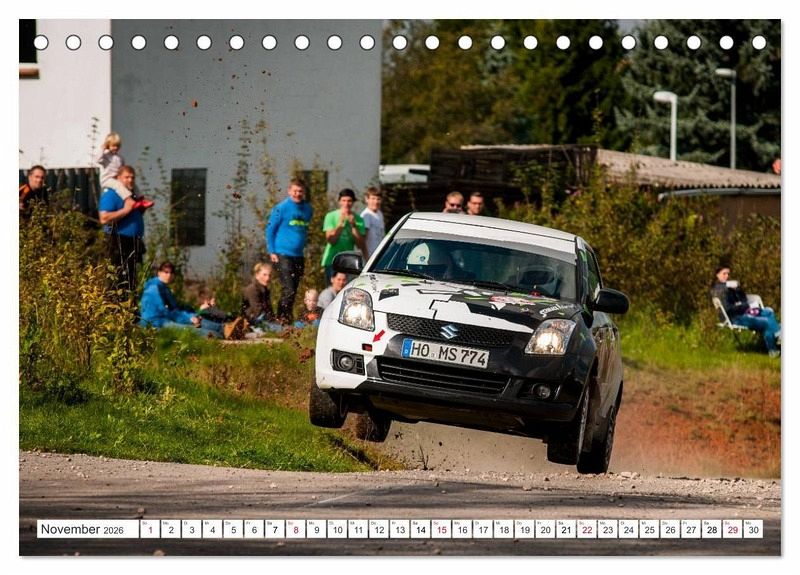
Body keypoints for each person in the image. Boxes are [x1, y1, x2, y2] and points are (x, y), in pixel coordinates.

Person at [140, 261, 245, 339]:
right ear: (159, 273)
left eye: (171, 273)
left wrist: (194, 313)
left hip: (165, 320)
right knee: (201, 331)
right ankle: (225, 332)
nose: (169, 275)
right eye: (166, 272)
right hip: (155, 324)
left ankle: (226, 329)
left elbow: (176, 308)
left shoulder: (163, 287)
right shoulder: (154, 288)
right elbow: (165, 312)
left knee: (198, 318)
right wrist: (188, 318)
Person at [266, 177, 313, 323]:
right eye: (295, 191)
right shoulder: (281, 208)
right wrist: (272, 251)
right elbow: (270, 230)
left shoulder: (308, 209)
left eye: (300, 191)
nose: (297, 194)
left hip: (298, 255)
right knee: (289, 287)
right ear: (289, 191)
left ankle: (285, 317)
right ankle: (283, 319)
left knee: (295, 288)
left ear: (304, 192)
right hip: (282, 253)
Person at [98, 165, 149, 296]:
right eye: (126, 177)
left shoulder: (132, 196)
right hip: (117, 241)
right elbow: (104, 218)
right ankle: (113, 305)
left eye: (132, 177)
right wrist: (126, 210)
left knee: (131, 280)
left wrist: (141, 209)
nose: (130, 180)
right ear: (118, 178)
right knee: (117, 278)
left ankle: (129, 305)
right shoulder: (111, 195)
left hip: (133, 242)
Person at [710, 266, 781, 357]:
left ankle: (775, 344)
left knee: (769, 312)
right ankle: (776, 340)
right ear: (717, 275)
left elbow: (744, 300)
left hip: (745, 312)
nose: (726, 276)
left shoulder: (730, 287)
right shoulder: (717, 289)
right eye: (724, 273)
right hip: (735, 318)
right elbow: (729, 309)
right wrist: (744, 306)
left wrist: (738, 290)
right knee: (767, 322)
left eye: (728, 274)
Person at [321, 189, 366, 283]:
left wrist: (354, 226)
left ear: (353, 202)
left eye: (349, 201)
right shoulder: (331, 216)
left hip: (348, 262)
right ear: (339, 201)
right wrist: (340, 225)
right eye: (343, 200)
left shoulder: (359, 219)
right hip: (331, 261)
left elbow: (360, 245)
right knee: (332, 289)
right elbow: (331, 241)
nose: (346, 204)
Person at [241, 262, 282, 332]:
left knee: (283, 326)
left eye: (269, 275)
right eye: (264, 275)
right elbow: (257, 311)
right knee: (282, 329)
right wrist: (272, 321)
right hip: (253, 321)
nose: (268, 278)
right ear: (257, 275)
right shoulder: (252, 289)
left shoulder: (265, 290)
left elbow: (269, 309)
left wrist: (274, 319)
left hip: (263, 320)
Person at [97, 132, 129, 201]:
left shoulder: (120, 158)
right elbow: (98, 159)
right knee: (118, 185)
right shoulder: (105, 156)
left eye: (117, 146)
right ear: (108, 145)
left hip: (117, 179)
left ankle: (140, 198)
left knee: (130, 181)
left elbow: (123, 170)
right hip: (107, 180)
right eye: (113, 146)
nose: (115, 148)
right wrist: (102, 149)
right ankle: (128, 199)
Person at [360, 186, 385, 259]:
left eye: (378, 199)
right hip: (369, 257)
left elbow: (382, 236)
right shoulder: (366, 215)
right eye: (373, 198)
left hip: (378, 255)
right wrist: (367, 258)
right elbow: (362, 240)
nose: (376, 202)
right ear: (367, 199)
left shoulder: (380, 214)